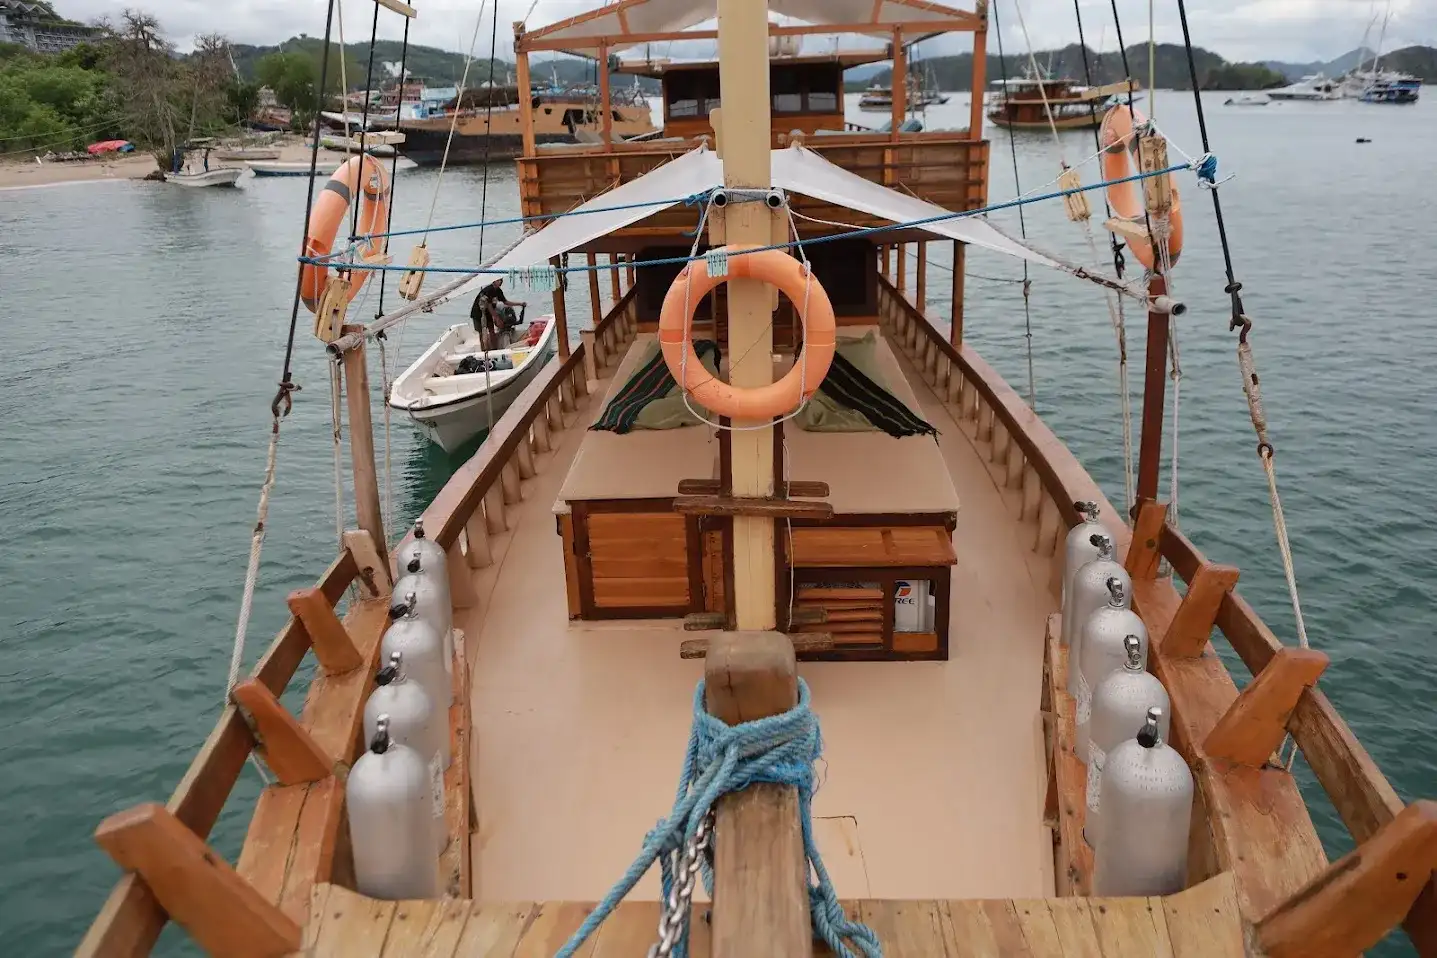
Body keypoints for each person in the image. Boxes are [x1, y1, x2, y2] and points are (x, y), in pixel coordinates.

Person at [470, 278, 526, 350]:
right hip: (478, 313)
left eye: (501, 280)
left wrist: (520, 304)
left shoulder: (498, 291)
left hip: (489, 313)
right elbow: (489, 306)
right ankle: (483, 350)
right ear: (494, 281)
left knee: (491, 330)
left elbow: (506, 302)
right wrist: (497, 318)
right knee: (482, 333)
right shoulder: (489, 290)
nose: (500, 282)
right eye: (498, 280)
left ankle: (494, 349)